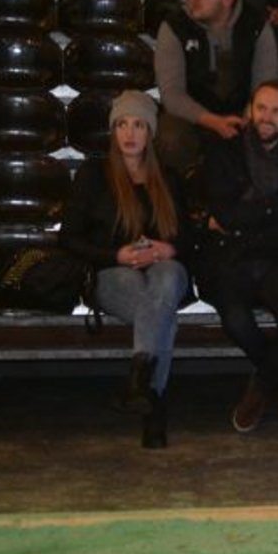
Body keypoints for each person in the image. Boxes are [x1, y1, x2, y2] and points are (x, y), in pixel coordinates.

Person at [59, 90, 192, 449]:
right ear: (113, 131)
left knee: (166, 277)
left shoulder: (169, 178)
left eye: (138, 125)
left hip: (165, 271)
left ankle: (139, 381)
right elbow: (69, 239)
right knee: (160, 311)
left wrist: (170, 248)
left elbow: (193, 240)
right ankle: (154, 405)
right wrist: (115, 255)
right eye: (121, 124)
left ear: (150, 132)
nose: (129, 134)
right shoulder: (93, 175)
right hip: (112, 273)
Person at [197, 80, 278, 432]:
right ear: (250, 110)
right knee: (235, 321)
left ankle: (262, 386)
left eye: (277, 111)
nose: (267, 117)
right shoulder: (224, 151)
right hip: (231, 259)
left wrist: (249, 221)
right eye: (261, 108)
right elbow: (226, 214)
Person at [154, 0, 278, 173]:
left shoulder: (256, 26)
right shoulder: (174, 27)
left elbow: (266, 87)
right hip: (192, 117)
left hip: (243, 115)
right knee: (169, 137)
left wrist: (247, 118)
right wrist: (213, 122)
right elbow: (172, 95)